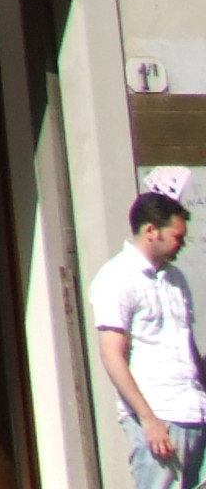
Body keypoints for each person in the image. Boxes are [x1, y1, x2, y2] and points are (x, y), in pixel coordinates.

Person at [102, 191, 206, 489]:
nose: (182, 245)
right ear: (151, 230)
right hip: (159, 414)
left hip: (193, 411)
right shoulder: (118, 277)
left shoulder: (176, 279)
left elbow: (188, 349)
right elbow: (112, 355)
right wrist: (148, 420)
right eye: (177, 236)